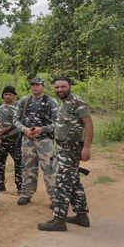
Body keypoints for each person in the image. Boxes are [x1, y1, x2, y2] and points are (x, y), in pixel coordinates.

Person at [38, 76, 93, 231]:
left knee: (62, 182)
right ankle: (82, 216)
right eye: (57, 87)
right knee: (74, 181)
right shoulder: (62, 104)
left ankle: (58, 221)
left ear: (70, 86)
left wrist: (87, 147)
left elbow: (88, 124)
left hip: (71, 149)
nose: (60, 90)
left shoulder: (77, 102)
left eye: (63, 86)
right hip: (63, 148)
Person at [13, 78, 58, 206]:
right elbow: (15, 120)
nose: (35, 87)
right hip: (28, 140)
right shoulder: (24, 101)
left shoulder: (51, 102)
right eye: (33, 85)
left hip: (45, 140)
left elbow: (57, 122)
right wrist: (24, 129)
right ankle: (26, 194)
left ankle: (55, 198)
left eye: (38, 85)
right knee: (28, 168)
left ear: (43, 86)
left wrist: (42, 129)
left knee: (49, 169)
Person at [0, 86, 23, 194]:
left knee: (19, 164)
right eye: (6, 94)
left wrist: (5, 130)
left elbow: (18, 123)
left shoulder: (18, 107)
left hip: (15, 140)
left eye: (10, 94)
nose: (8, 96)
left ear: (14, 96)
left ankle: (20, 187)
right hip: (1, 140)